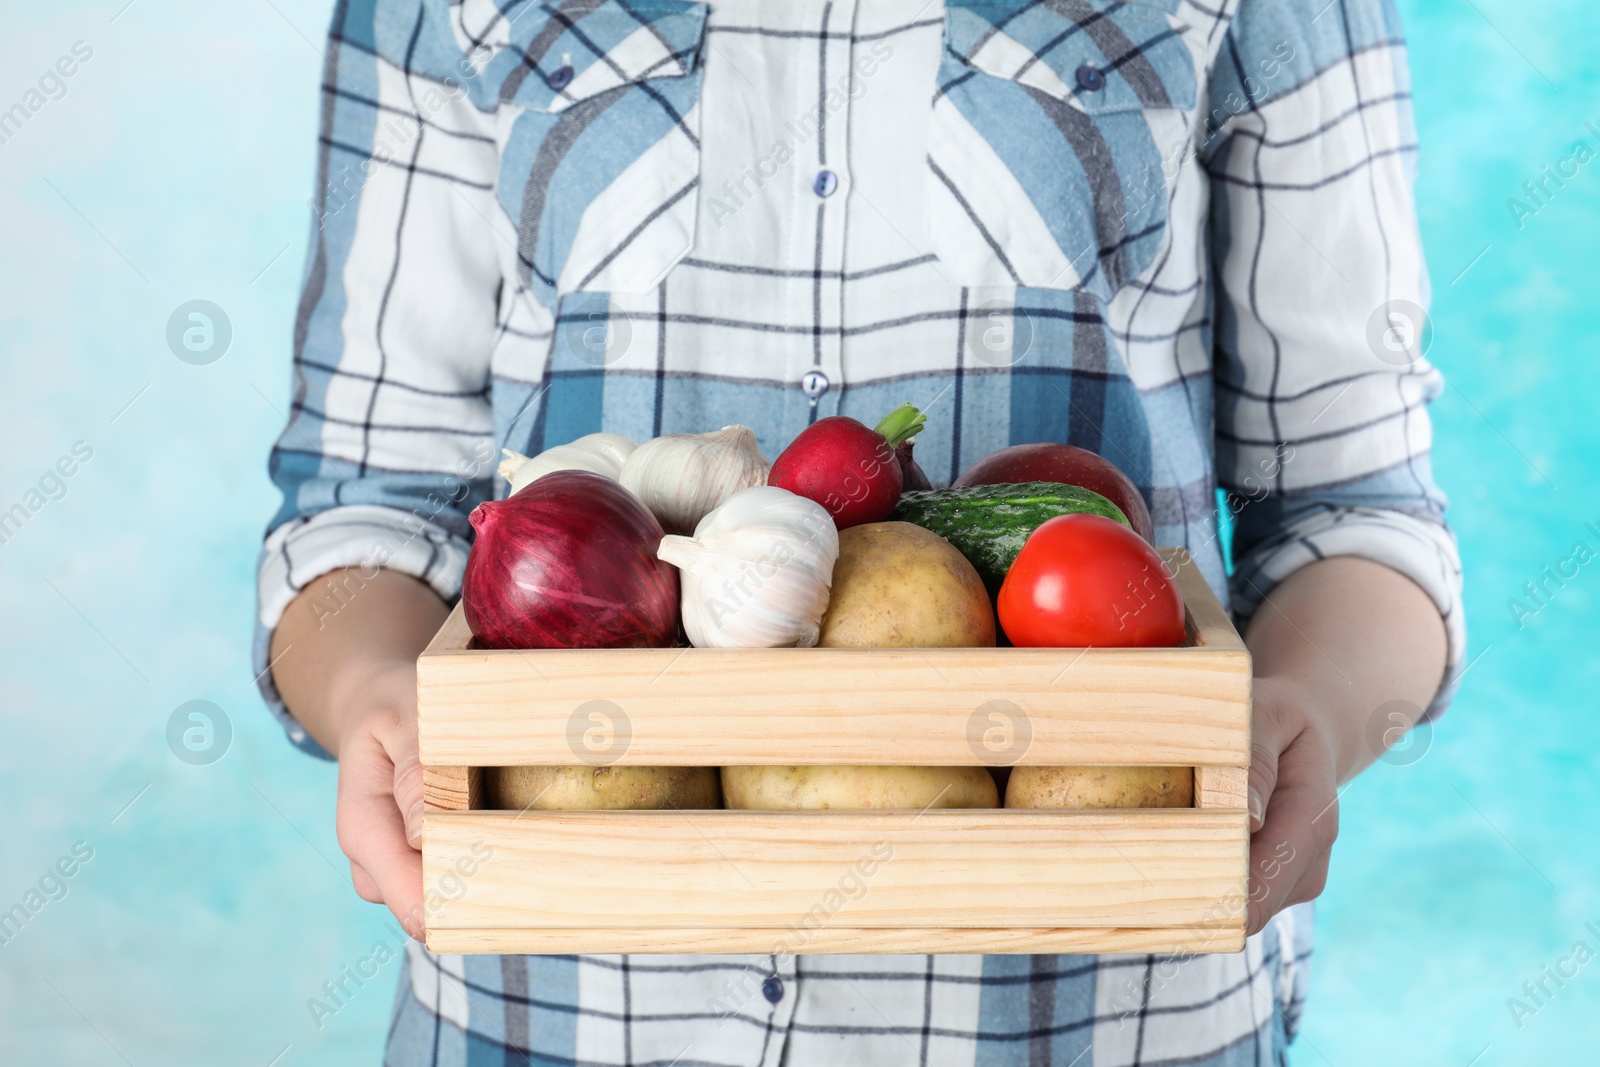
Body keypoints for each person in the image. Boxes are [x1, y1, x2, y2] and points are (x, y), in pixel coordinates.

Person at [257, 0, 1462, 1061]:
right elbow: (362, 502)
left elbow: (1356, 507)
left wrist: (1302, 715)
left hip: (1101, 1014)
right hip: (546, 1013)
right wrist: (374, 694)